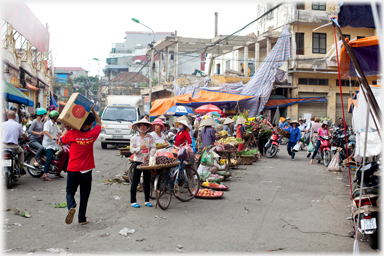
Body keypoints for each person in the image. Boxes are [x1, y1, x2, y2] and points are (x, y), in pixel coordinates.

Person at [60, 108, 102, 225]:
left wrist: (65, 129)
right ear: (91, 124)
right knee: (84, 195)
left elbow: (60, 142)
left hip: (73, 169)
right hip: (86, 171)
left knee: (70, 192)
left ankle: (71, 206)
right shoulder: (92, 134)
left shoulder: (71, 133)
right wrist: (93, 110)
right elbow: (99, 123)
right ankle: (82, 219)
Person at [129, 118, 156, 208]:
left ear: (148, 127)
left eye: (145, 125)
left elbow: (153, 148)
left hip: (147, 162)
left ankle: (146, 200)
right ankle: (133, 201)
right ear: (138, 126)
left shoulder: (150, 137)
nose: (143, 127)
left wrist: (151, 155)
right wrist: (140, 148)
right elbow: (132, 150)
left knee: (147, 181)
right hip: (137, 161)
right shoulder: (134, 138)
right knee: (135, 182)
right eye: (141, 125)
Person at [42, 110, 62, 181]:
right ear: (54, 117)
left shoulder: (55, 124)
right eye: (57, 117)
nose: (58, 118)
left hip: (54, 144)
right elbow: (46, 131)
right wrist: (52, 137)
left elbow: (60, 132)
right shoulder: (47, 124)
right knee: (49, 157)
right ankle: (45, 174)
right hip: (48, 145)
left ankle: (57, 171)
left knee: (59, 156)